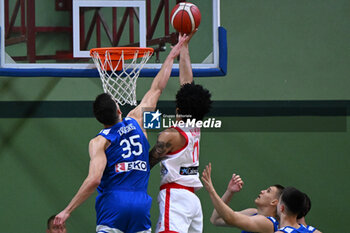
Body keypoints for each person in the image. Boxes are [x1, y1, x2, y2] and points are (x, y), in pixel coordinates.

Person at [53, 34, 190, 233]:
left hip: (113, 206)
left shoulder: (99, 142)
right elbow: (157, 87)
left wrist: (67, 210)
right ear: (119, 111)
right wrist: (171, 56)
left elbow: (94, 180)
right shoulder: (136, 120)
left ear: (100, 120)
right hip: (140, 206)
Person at [149, 30, 212, 233]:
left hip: (174, 197)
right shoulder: (195, 126)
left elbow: (147, 162)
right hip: (193, 201)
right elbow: (187, 83)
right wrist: (184, 47)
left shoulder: (170, 136)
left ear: (178, 110)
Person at [201, 163, 284, 233]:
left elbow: (230, 218)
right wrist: (229, 192)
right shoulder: (252, 213)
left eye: (268, 191)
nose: (262, 191)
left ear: (274, 202)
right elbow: (216, 219)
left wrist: (211, 191)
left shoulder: (269, 223)